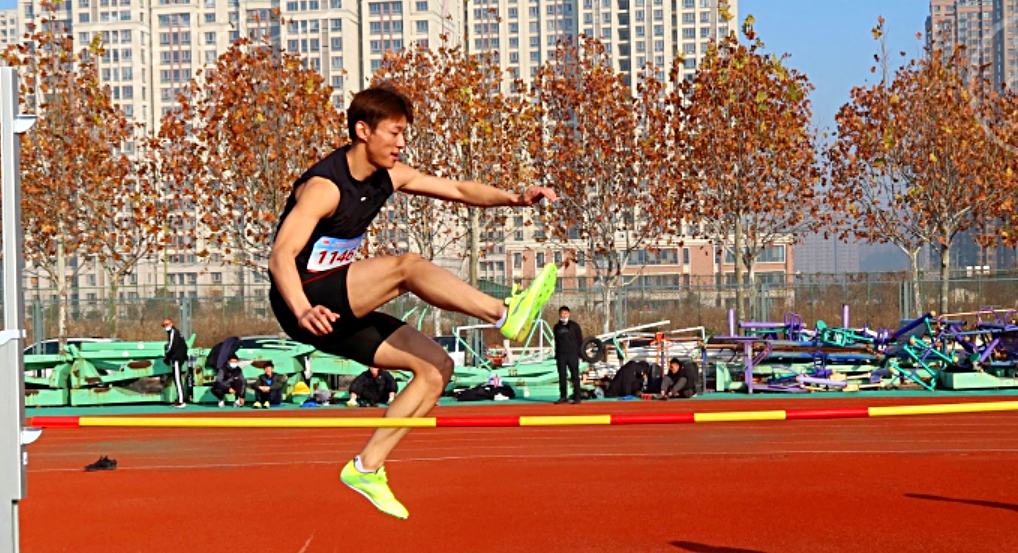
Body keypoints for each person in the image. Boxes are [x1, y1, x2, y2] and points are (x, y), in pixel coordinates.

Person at [267, 84, 558, 519]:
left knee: (436, 368)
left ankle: (366, 467)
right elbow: (280, 256)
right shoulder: (324, 188)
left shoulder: (391, 176)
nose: (402, 143)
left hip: (341, 310)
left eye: (405, 134)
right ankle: (503, 313)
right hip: (304, 298)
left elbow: (459, 190)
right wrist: (301, 307)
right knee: (408, 267)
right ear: (363, 131)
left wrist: (514, 198)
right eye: (395, 133)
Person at [553, 306, 583, 404]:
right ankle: (563, 396)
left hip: (572, 354)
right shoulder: (556, 327)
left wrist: (580, 354)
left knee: (575, 375)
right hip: (561, 354)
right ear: (559, 314)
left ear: (569, 314)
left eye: (566, 313)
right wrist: (557, 354)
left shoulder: (575, 326)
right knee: (562, 376)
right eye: (562, 313)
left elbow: (580, 340)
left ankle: (577, 397)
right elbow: (556, 341)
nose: (564, 315)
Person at [162, 318, 188, 409]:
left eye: (167, 324)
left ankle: (181, 401)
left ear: (171, 323)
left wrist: (167, 356)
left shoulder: (173, 332)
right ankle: (180, 399)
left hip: (177, 359)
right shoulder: (177, 333)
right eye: (164, 325)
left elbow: (172, 347)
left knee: (177, 379)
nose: (165, 326)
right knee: (177, 379)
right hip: (179, 358)